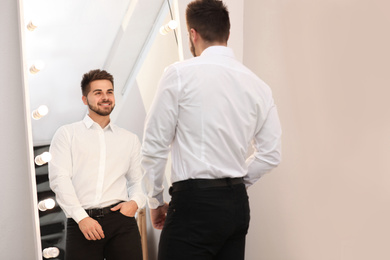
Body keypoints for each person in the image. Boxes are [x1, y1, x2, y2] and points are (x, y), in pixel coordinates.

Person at [141, 0, 282, 259]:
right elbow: (270, 154)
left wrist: (155, 200)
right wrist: (235, 183)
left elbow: (154, 145)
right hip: (236, 205)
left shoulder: (179, 74)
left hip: (193, 204)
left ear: (192, 34)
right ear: (227, 33)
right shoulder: (258, 85)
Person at [49, 69, 145, 260]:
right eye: (98, 92)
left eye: (109, 92)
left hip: (121, 222)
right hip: (82, 222)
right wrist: (82, 217)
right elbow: (60, 179)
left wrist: (135, 203)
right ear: (85, 99)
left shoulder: (129, 139)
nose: (105, 97)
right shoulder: (67, 134)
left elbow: (138, 181)